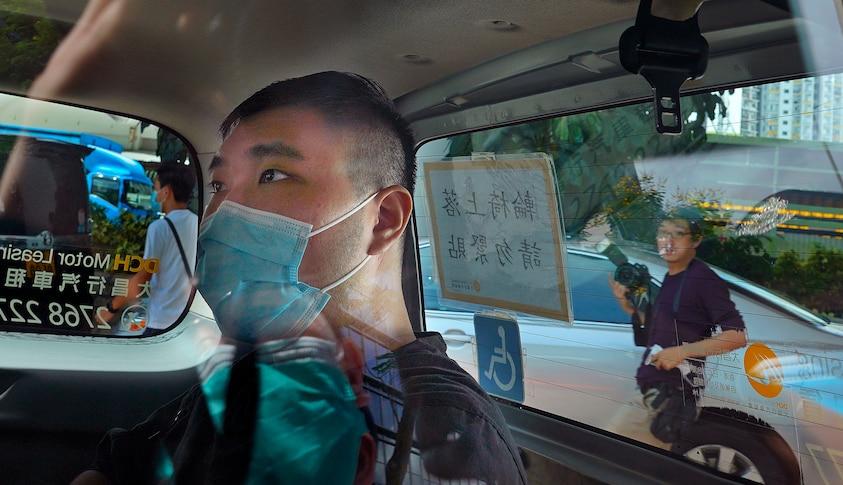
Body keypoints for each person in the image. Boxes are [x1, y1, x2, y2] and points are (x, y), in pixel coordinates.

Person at [72, 71, 527, 484]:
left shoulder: (439, 431)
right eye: (219, 186)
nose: (222, 216)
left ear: (383, 219)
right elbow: (120, 461)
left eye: (273, 174)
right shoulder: (263, 365)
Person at [607, 205, 747, 450]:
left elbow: (736, 336)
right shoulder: (673, 277)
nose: (667, 240)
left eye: (677, 233)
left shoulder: (702, 280)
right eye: (662, 232)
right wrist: (627, 306)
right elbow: (659, 332)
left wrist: (682, 352)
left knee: (609, 452)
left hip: (667, 395)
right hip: (657, 392)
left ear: (696, 240)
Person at [97, 161, 197, 334]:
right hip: (185, 319)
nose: (154, 194)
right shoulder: (197, 223)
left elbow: (143, 276)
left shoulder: (160, 228)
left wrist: (111, 309)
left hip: (160, 320)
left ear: (166, 192)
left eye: (155, 188)